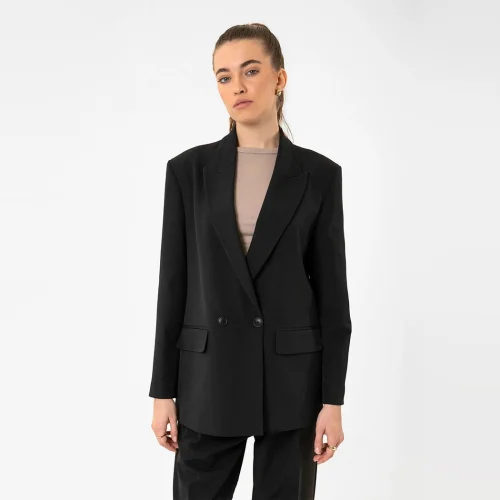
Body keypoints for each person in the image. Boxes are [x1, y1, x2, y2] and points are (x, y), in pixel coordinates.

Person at [149, 23, 352, 500]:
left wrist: (333, 400)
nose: (237, 86)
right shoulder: (188, 172)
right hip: (208, 376)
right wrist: (162, 391)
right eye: (224, 76)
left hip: (291, 381)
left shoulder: (320, 175)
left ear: (280, 78)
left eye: (251, 71)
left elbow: (332, 295)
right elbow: (173, 284)